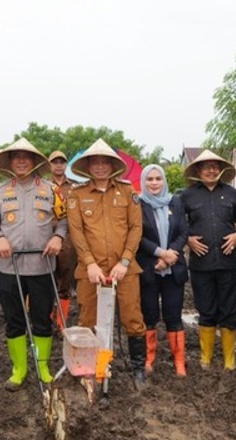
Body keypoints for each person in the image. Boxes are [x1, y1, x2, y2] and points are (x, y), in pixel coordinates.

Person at [0, 138, 66, 389]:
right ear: (10, 162)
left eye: (26, 156)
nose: (21, 161)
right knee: (14, 319)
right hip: (10, 267)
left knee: (42, 319)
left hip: (42, 266)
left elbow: (63, 220)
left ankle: (42, 366)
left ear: (34, 162)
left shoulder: (51, 190)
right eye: (16, 156)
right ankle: (18, 369)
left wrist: (57, 236)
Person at [66, 139, 147, 388]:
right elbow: (76, 231)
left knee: (133, 318)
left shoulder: (127, 192)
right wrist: (90, 263)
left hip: (125, 269)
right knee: (88, 320)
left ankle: (138, 369)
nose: (100, 167)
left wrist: (124, 261)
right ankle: (90, 370)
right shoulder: (76, 195)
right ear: (88, 166)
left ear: (113, 166)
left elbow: (136, 228)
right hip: (90, 270)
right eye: (95, 162)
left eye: (105, 162)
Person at [180, 150, 236, 371]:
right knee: (205, 309)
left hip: (228, 261)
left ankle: (229, 358)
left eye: (214, 167)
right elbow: (179, 226)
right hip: (201, 262)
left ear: (221, 170)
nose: (210, 170)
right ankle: (206, 356)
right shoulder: (187, 196)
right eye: (206, 167)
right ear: (198, 170)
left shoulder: (231, 193)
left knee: (229, 309)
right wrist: (188, 240)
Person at [136, 164, 189, 377]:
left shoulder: (175, 202)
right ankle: (149, 358)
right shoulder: (138, 204)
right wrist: (159, 253)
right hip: (148, 268)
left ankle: (179, 361)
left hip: (173, 268)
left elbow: (184, 232)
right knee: (149, 315)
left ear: (164, 180)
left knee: (173, 315)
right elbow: (137, 236)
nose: (155, 183)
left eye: (158, 178)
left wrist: (169, 256)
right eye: (150, 179)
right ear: (143, 182)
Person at [47, 150, 77, 326]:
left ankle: (61, 319)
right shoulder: (42, 185)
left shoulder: (75, 187)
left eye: (61, 162)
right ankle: (46, 315)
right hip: (46, 235)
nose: (58, 165)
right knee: (47, 276)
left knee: (66, 276)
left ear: (66, 165)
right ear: (49, 165)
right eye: (55, 162)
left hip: (69, 237)